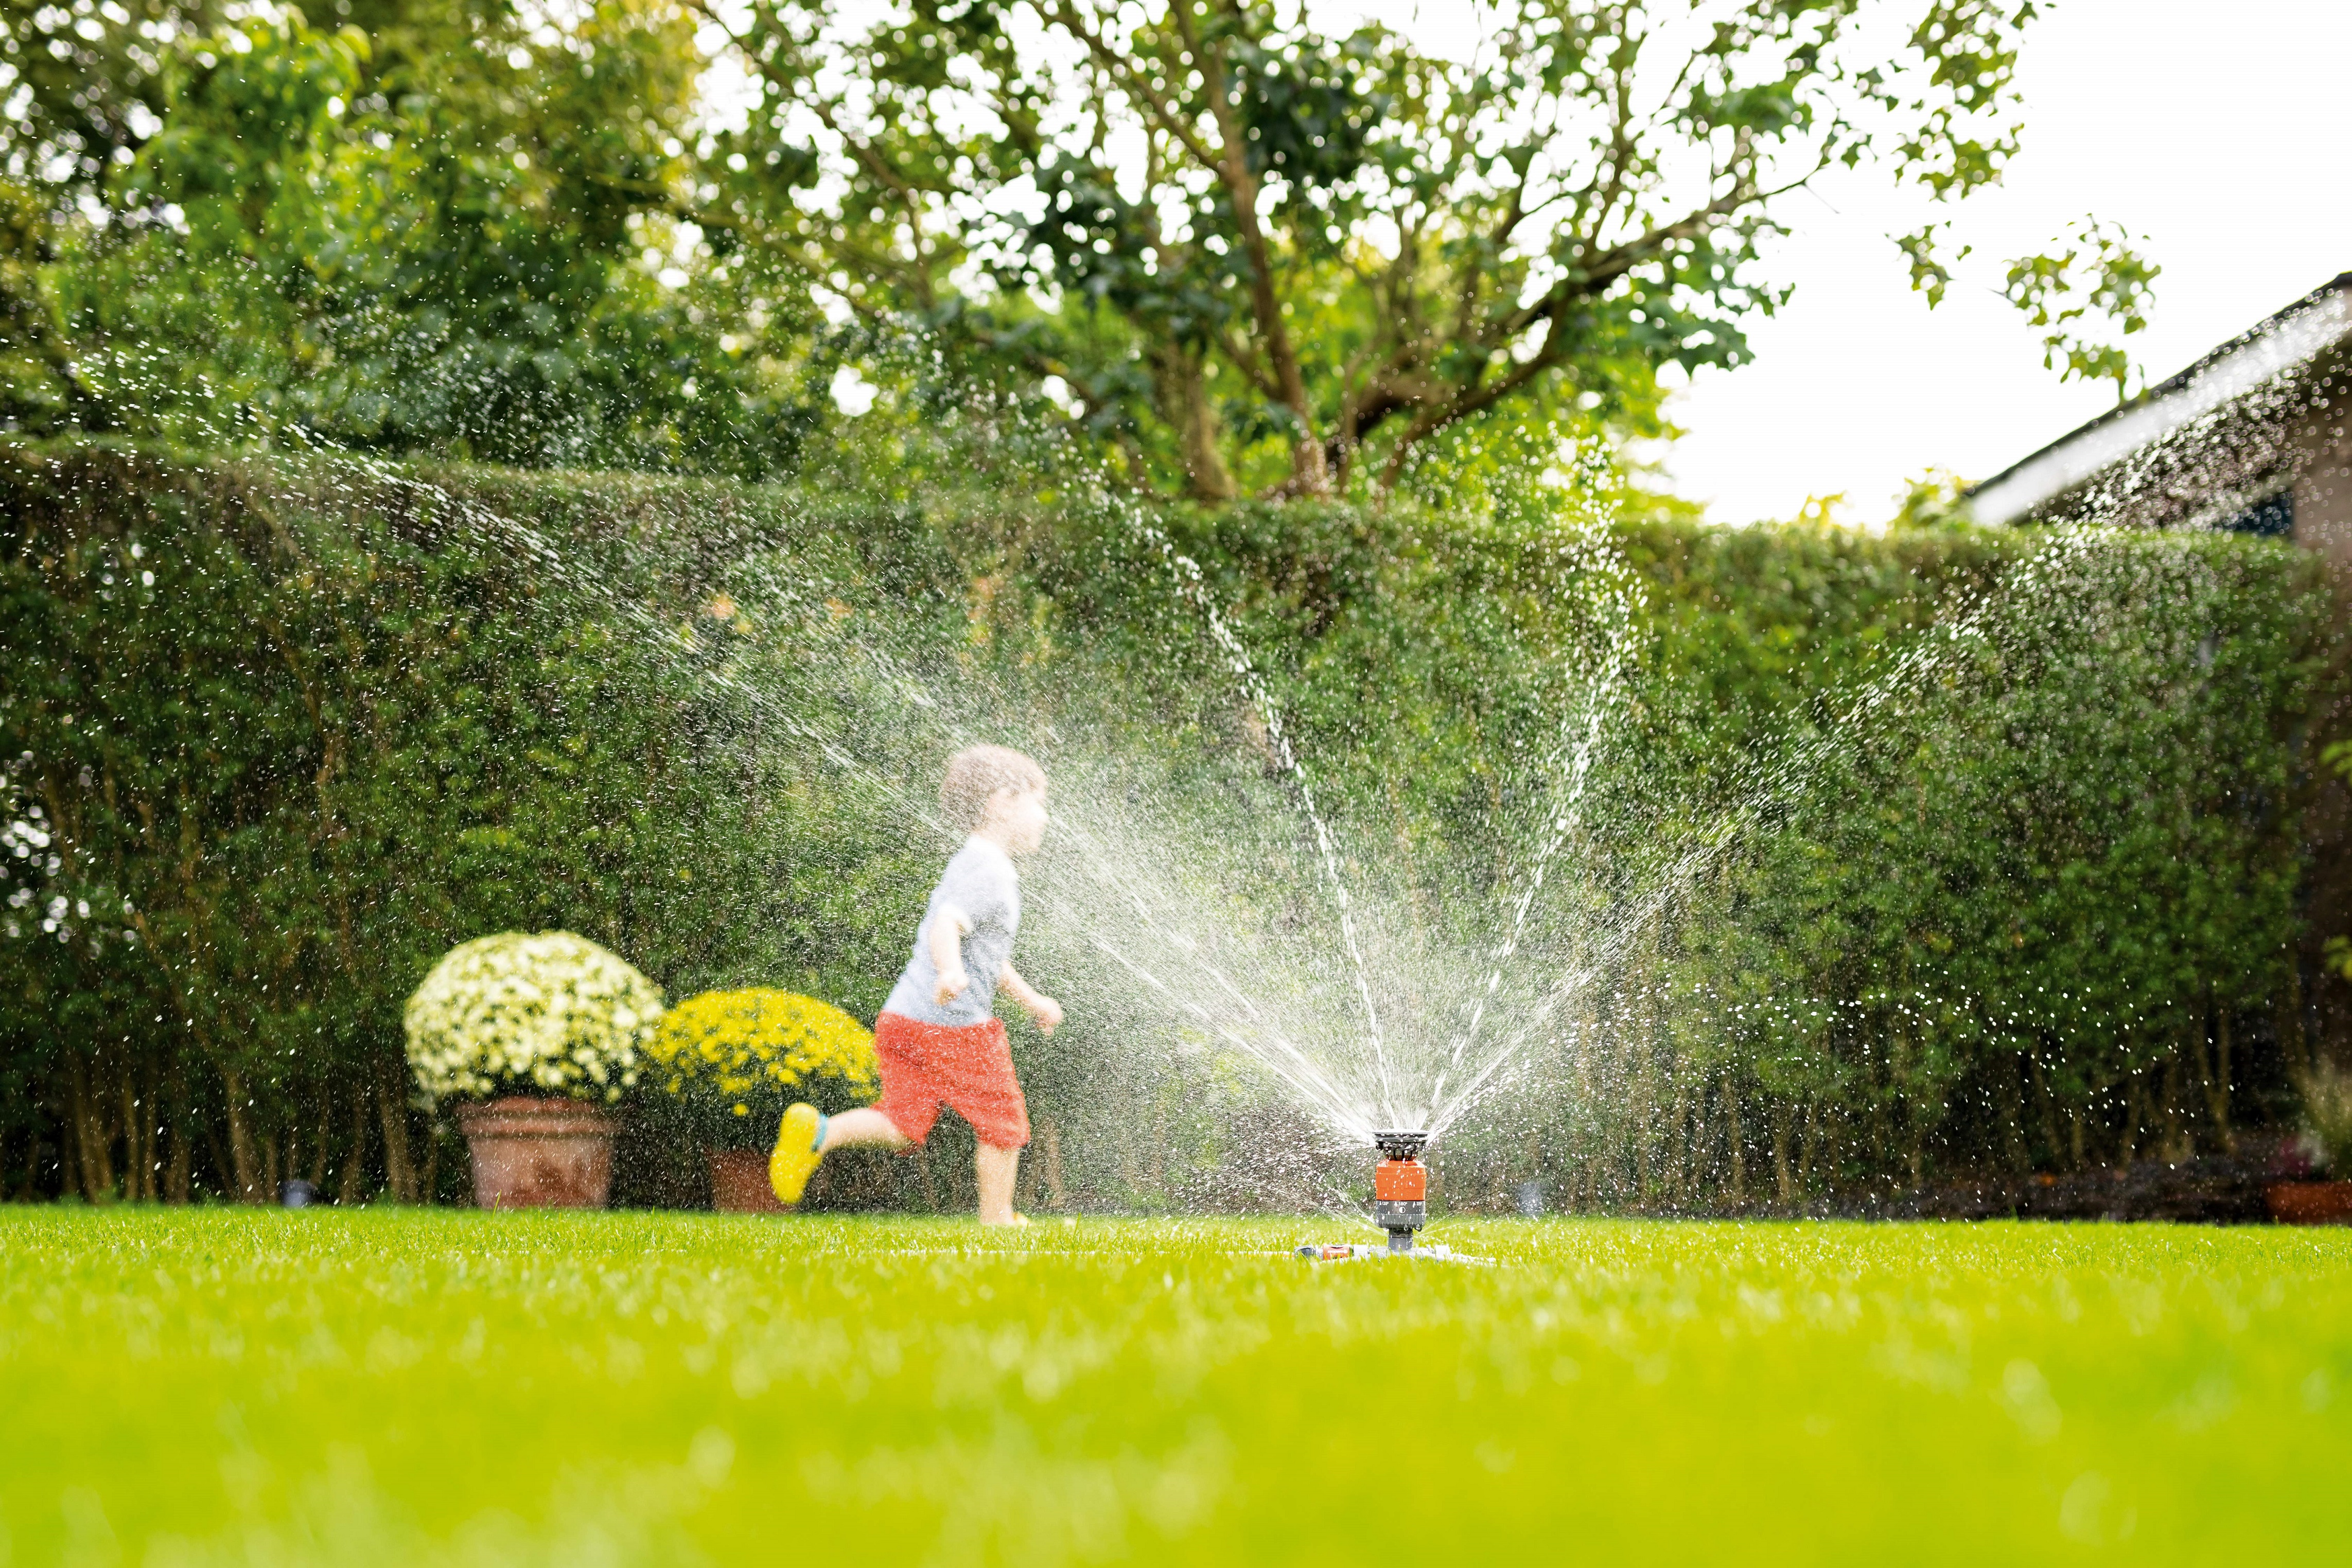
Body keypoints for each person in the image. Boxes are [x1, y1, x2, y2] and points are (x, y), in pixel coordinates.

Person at [768, 744, 1063, 1224]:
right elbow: (945, 925)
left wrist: (1030, 999)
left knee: (903, 1123)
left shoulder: (975, 862)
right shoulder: (989, 868)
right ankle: (998, 1218)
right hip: (954, 1025)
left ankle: (820, 1132)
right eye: (1037, 802)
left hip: (904, 1018)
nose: (1044, 817)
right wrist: (950, 971)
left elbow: (989, 957)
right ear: (1001, 802)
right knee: (1003, 1119)